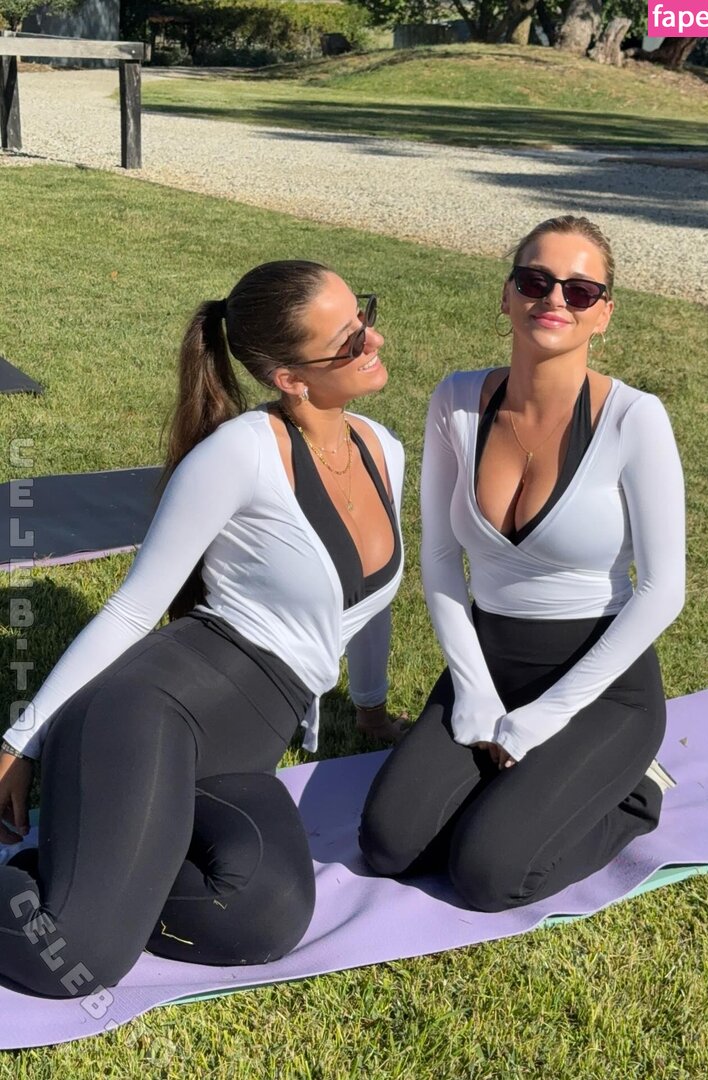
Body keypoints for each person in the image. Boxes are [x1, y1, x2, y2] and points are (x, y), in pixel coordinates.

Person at [0, 260, 405, 996]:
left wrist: (370, 708)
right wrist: (20, 741)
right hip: (148, 712)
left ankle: (89, 872)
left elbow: (368, 602)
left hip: (241, 745)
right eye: (348, 340)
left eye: (363, 316)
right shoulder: (240, 454)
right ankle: (88, 895)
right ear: (289, 378)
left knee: (262, 918)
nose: (372, 339)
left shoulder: (384, 450)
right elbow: (131, 609)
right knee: (74, 958)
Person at [360, 216, 685, 912]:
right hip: (489, 665)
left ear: (603, 314)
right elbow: (440, 557)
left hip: (600, 687)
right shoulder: (455, 401)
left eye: (580, 290)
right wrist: (473, 690)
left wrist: (546, 717)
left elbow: (663, 590)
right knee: (389, 846)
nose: (554, 299)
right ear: (507, 295)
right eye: (535, 281)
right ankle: (520, 780)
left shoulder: (635, 418)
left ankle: (635, 791)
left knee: (488, 874)